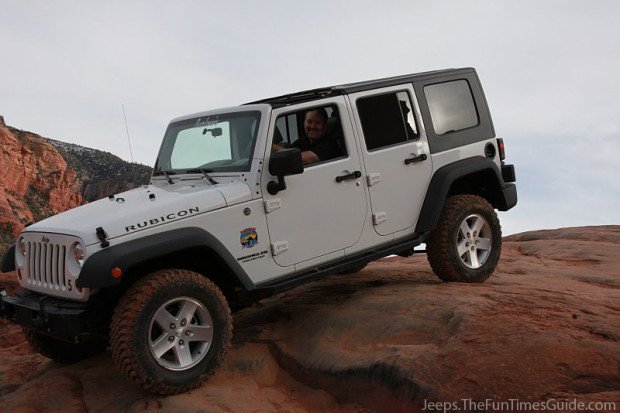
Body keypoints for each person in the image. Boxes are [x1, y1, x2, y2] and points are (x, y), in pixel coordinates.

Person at [272, 108, 342, 165]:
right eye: (309, 122)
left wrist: (272, 148)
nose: (312, 126)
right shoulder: (303, 140)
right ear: (304, 123)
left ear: (325, 126)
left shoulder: (329, 144)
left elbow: (302, 159)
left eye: (317, 123)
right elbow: (289, 150)